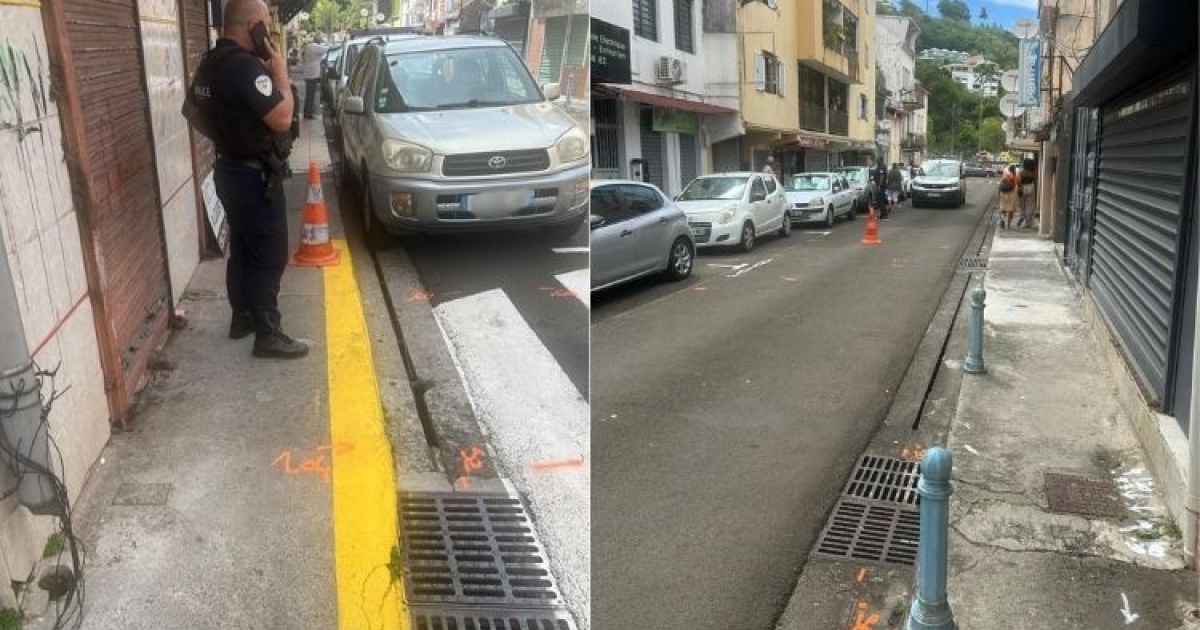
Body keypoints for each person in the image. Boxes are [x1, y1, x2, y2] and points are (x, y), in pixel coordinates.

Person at [185, 0, 307, 359]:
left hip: (229, 170)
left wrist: (229, 137)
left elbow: (193, 112)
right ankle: (268, 334)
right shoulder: (244, 66)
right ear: (253, 25)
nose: (267, 32)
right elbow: (282, 119)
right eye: (265, 24)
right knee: (269, 256)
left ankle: (243, 318)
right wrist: (280, 73)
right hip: (254, 178)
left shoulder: (210, 62)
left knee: (242, 249)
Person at [301, 36, 328, 120]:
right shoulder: (316, 47)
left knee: (309, 94)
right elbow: (327, 48)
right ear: (319, 42)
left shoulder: (308, 47)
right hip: (313, 74)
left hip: (307, 73)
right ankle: (308, 114)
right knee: (310, 95)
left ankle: (308, 112)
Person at [1017, 159, 1038, 229]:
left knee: (1022, 205)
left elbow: (1018, 181)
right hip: (1031, 188)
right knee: (1030, 206)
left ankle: (1022, 216)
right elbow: (1035, 181)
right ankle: (1028, 223)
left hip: (1023, 188)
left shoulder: (1022, 172)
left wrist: (1019, 188)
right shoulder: (1033, 173)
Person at [998, 165, 1020, 229]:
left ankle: (1003, 218)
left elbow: (1000, 185)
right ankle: (1008, 224)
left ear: (1009, 169)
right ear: (1014, 169)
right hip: (1012, 193)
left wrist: (998, 194)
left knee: (1003, 208)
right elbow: (1019, 184)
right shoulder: (1016, 176)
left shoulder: (1005, 175)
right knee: (1011, 209)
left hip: (1003, 193)